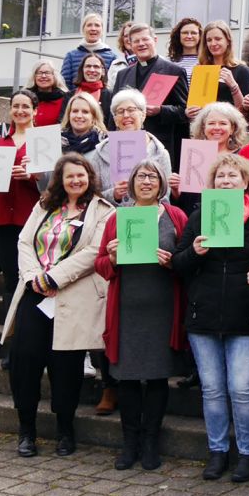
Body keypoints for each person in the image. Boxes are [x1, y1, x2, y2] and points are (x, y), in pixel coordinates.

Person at [2, 153, 113, 459]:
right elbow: (24, 243)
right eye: (69, 176)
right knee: (24, 364)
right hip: (35, 295)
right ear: (60, 180)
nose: (76, 180)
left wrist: (53, 278)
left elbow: (94, 252)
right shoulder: (44, 206)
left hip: (72, 295)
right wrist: (32, 278)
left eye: (81, 175)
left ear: (89, 177)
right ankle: (27, 431)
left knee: (66, 369)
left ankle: (66, 430)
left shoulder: (102, 210)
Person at [171, 152, 249, 482]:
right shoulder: (198, 217)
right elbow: (177, 264)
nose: (226, 181)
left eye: (232, 176)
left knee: (241, 389)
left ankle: (248, 453)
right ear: (211, 183)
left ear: (245, 182)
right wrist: (195, 253)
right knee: (212, 389)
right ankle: (218, 451)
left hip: (245, 316)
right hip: (204, 315)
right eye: (220, 177)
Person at [94, 160, 189, 471]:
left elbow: (187, 262)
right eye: (141, 176)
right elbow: (100, 266)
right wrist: (111, 257)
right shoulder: (118, 218)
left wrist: (172, 262)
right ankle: (129, 443)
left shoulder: (176, 216)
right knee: (127, 379)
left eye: (153, 177)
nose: (146, 181)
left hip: (162, 309)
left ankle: (150, 442)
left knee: (159, 377)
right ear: (131, 183)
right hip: (127, 309)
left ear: (162, 184)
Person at [60, 91, 119, 414]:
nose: (80, 115)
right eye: (75, 110)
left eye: (86, 110)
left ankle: (111, 383)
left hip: (107, 231)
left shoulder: (103, 145)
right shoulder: (57, 141)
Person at [0, 89, 46, 364]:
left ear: (35, 110)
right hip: (1, 219)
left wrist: (31, 176)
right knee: (11, 282)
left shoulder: (43, 140)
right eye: (16, 106)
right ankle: (12, 344)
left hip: (30, 220)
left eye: (26, 106)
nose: (20, 111)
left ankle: (30, 342)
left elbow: (51, 184)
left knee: (30, 281)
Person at [113, 23, 191, 166]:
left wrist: (161, 110)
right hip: (128, 144)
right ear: (130, 45)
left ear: (154, 40)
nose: (141, 44)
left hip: (159, 144)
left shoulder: (173, 70)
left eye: (145, 39)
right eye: (136, 41)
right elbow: (114, 114)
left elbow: (184, 110)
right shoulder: (122, 75)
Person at [92, 90, 174, 206]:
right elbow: (93, 196)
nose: (126, 115)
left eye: (131, 110)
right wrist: (114, 194)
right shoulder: (100, 153)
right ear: (115, 120)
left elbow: (165, 196)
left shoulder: (160, 153)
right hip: (111, 218)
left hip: (149, 218)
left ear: (143, 115)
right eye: (120, 112)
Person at [169, 102, 248, 215]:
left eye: (223, 123)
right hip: (195, 220)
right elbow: (184, 201)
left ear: (232, 128)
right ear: (203, 128)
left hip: (230, 217)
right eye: (211, 123)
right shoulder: (193, 155)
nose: (216, 128)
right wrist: (176, 190)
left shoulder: (241, 156)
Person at [190, 20, 249, 116]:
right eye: (209, 40)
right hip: (205, 125)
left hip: (231, 125)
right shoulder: (200, 70)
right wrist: (189, 112)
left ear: (228, 41)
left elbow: (246, 111)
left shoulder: (242, 70)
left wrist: (233, 85)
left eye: (218, 39)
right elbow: (193, 105)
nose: (213, 43)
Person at [61, 12, 119, 89]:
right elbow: (64, 84)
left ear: (102, 30)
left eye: (97, 25)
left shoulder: (112, 57)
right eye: (89, 25)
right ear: (83, 29)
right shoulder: (71, 56)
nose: (93, 28)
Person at [66, 52, 113, 127]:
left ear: (103, 71)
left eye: (96, 67)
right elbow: (64, 122)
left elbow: (112, 125)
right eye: (88, 66)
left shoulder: (111, 96)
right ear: (82, 70)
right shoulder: (69, 96)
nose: (92, 70)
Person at [26, 60, 70, 126]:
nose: (43, 76)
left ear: (54, 76)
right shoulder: (26, 98)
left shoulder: (65, 99)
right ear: (34, 77)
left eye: (47, 73)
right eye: (39, 73)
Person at [105, 20, 138, 90]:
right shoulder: (115, 64)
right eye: (126, 36)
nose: (129, 39)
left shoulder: (149, 61)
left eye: (132, 35)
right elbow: (110, 90)